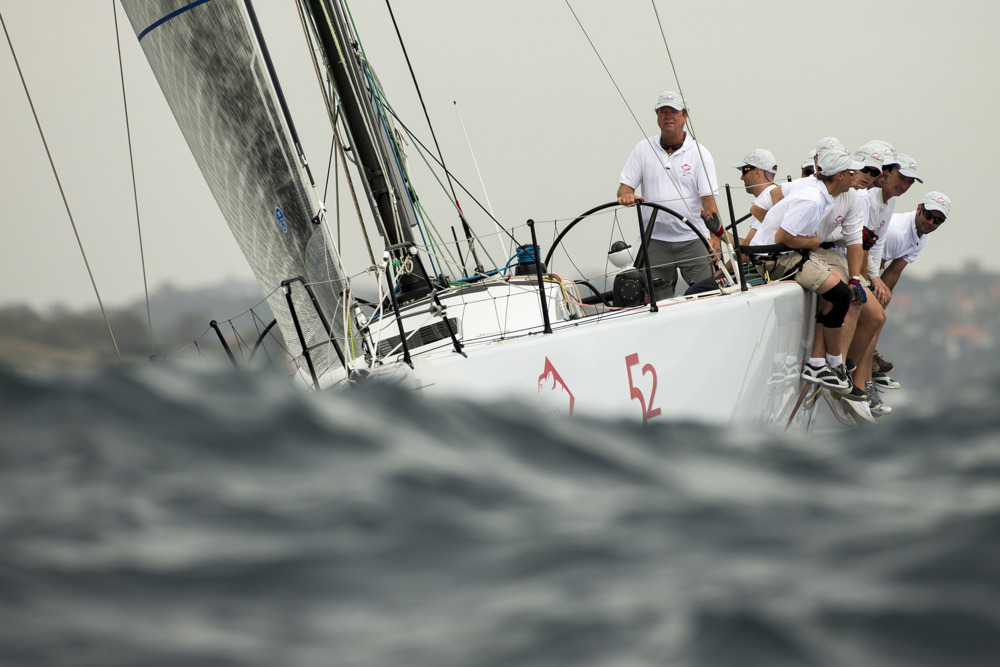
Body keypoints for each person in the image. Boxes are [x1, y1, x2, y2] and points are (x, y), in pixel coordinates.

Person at [748, 146, 864, 396]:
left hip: (784, 253)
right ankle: (830, 364)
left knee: (836, 285)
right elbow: (784, 237)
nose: (854, 176)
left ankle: (821, 363)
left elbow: (775, 201)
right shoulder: (812, 199)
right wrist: (813, 242)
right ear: (840, 176)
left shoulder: (811, 185)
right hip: (776, 258)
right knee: (840, 295)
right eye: (850, 172)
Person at [617, 90, 724, 299]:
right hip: (655, 240)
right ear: (657, 117)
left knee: (709, 296)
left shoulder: (699, 153)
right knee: (654, 302)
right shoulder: (642, 148)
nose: (668, 116)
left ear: (684, 116)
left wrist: (715, 238)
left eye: (673, 112)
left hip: (693, 238)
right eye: (663, 112)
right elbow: (624, 188)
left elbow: (708, 201)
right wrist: (626, 196)